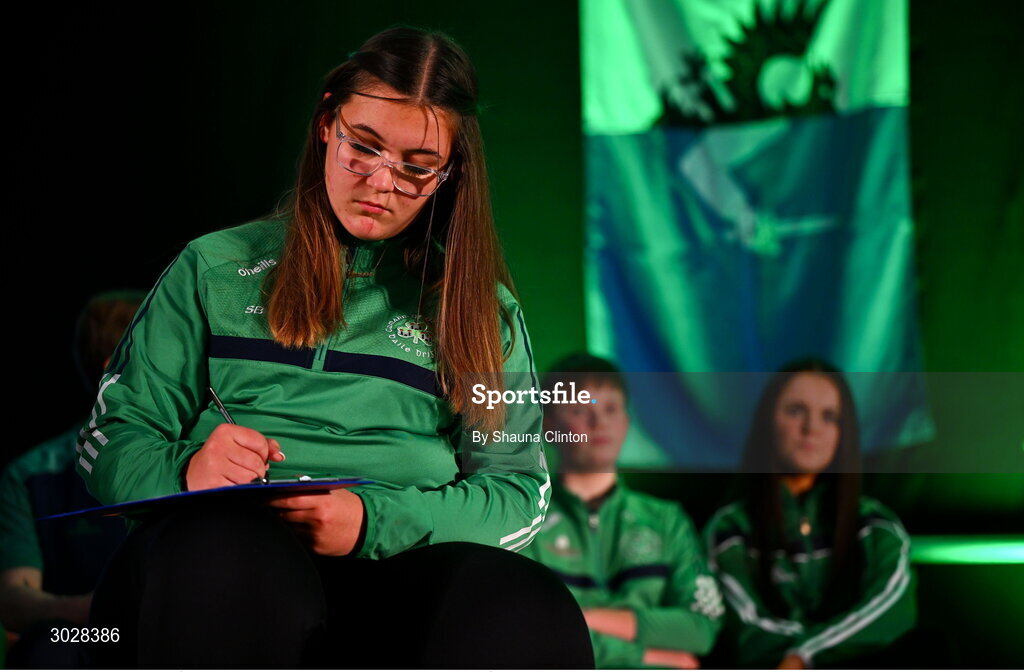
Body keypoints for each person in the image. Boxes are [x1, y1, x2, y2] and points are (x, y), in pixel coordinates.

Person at [76, 27, 591, 668]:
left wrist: (372, 522)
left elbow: (515, 489)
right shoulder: (212, 268)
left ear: (450, 172)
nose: (381, 182)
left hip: (397, 570)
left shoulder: (480, 310)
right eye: (363, 147)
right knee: (227, 564)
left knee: (528, 607)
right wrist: (188, 472)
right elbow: (109, 438)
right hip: (222, 556)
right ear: (327, 124)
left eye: (417, 167)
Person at [704, 359, 916, 668]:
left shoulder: (874, 524)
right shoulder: (730, 528)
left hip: (849, 664)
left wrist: (805, 655)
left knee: (930, 648)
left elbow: (891, 608)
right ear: (768, 422)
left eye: (829, 417)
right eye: (795, 411)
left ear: (844, 433)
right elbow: (745, 628)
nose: (811, 428)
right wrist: (794, 659)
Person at [522, 353, 724, 669]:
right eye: (579, 409)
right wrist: (644, 655)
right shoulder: (524, 521)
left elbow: (701, 628)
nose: (599, 422)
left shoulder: (667, 520)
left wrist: (582, 618)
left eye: (611, 409)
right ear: (549, 426)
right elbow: (527, 631)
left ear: (626, 422)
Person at [0, 291, 141, 668]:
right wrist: (98, 613)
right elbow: (13, 598)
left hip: (176, 635)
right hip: (95, 636)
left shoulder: (204, 458)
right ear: (117, 368)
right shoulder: (33, 474)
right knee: (51, 644)